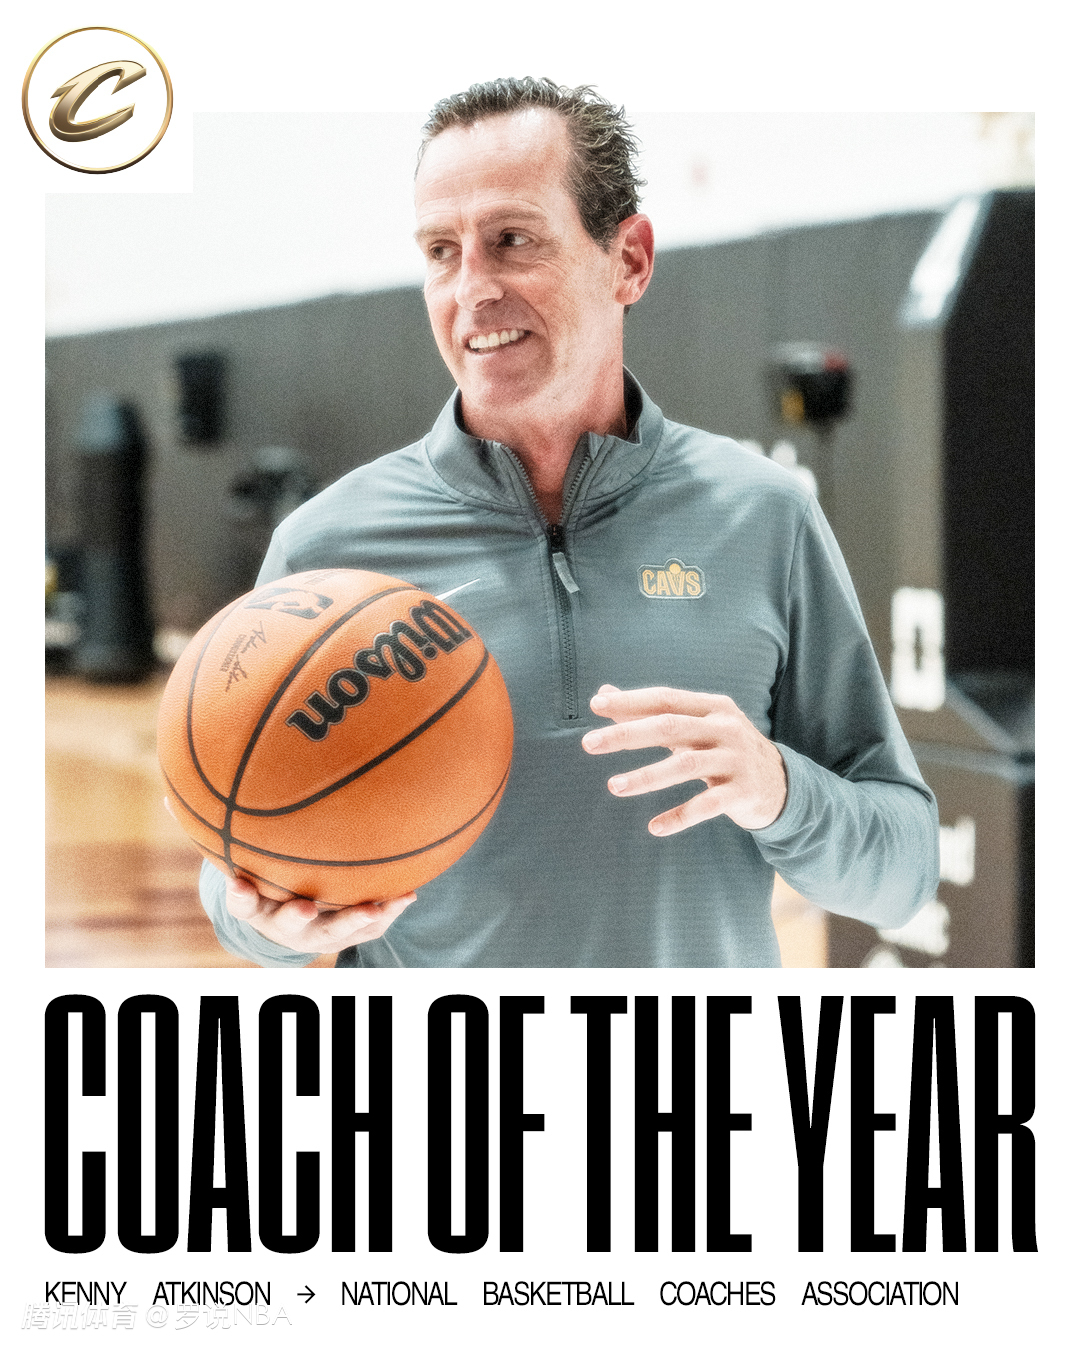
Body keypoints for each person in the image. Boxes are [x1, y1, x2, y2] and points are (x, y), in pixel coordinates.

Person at [199, 77, 939, 968]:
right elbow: (238, 873)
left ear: (628, 260)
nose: (472, 289)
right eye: (441, 251)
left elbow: (902, 874)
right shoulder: (329, 548)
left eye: (512, 241)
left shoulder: (763, 516)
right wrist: (268, 922)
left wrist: (782, 789)